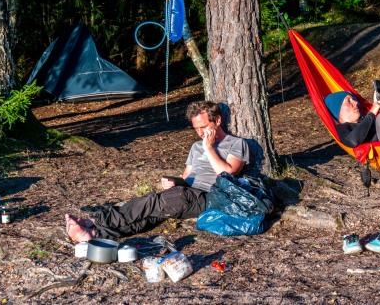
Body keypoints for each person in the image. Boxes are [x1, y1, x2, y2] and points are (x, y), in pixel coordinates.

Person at [64, 100, 250, 243]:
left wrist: (209, 148)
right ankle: (96, 234)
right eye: (196, 129)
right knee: (152, 213)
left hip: (210, 197)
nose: (201, 133)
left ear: (217, 121)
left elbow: (229, 176)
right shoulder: (196, 146)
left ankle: (97, 221)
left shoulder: (235, 144)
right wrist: (175, 181)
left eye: (204, 127)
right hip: (186, 192)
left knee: (155, 201)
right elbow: (186, 179)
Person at [324, 89, 380, 254]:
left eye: (354, 100)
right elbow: (353, 140)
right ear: (337, 111)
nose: (355, 104)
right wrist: (374, 112)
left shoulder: (367, 121)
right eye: (348, 102)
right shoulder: (343, 129)